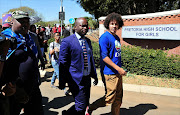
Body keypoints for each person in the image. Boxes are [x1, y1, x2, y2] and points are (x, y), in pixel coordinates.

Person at [1, 10, 44, 115]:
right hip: (14, 90)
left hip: (32, 86)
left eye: (27, 21)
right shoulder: (5, 39)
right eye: (21, 21)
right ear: (12, 22)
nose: (25, 24)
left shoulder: (30, 38)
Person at [87, 12, 127, 115]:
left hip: (118, 72)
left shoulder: (117, 38)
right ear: (108, 24)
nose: (114, 26)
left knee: (118, 99)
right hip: (110, 73)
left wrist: (120, 69)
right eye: (112, 23)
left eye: (116, 24)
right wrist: (118, 69)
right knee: (109, 98)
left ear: (119, 25)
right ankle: (90, 108)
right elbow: (104, 57)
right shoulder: (104, 37)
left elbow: (116, 55)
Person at [59, 17, 98, 115]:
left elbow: (90, 59)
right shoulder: (67, 41)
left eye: (86, 26)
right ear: (75, 27)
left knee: (84, 104)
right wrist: (62, 81)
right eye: (82, 26)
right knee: (80, 106)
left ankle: (67, 113)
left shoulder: (88, 41)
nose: (85, 28)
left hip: (87, 78)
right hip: (75, 79)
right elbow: (62, 62)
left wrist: (94, 75)